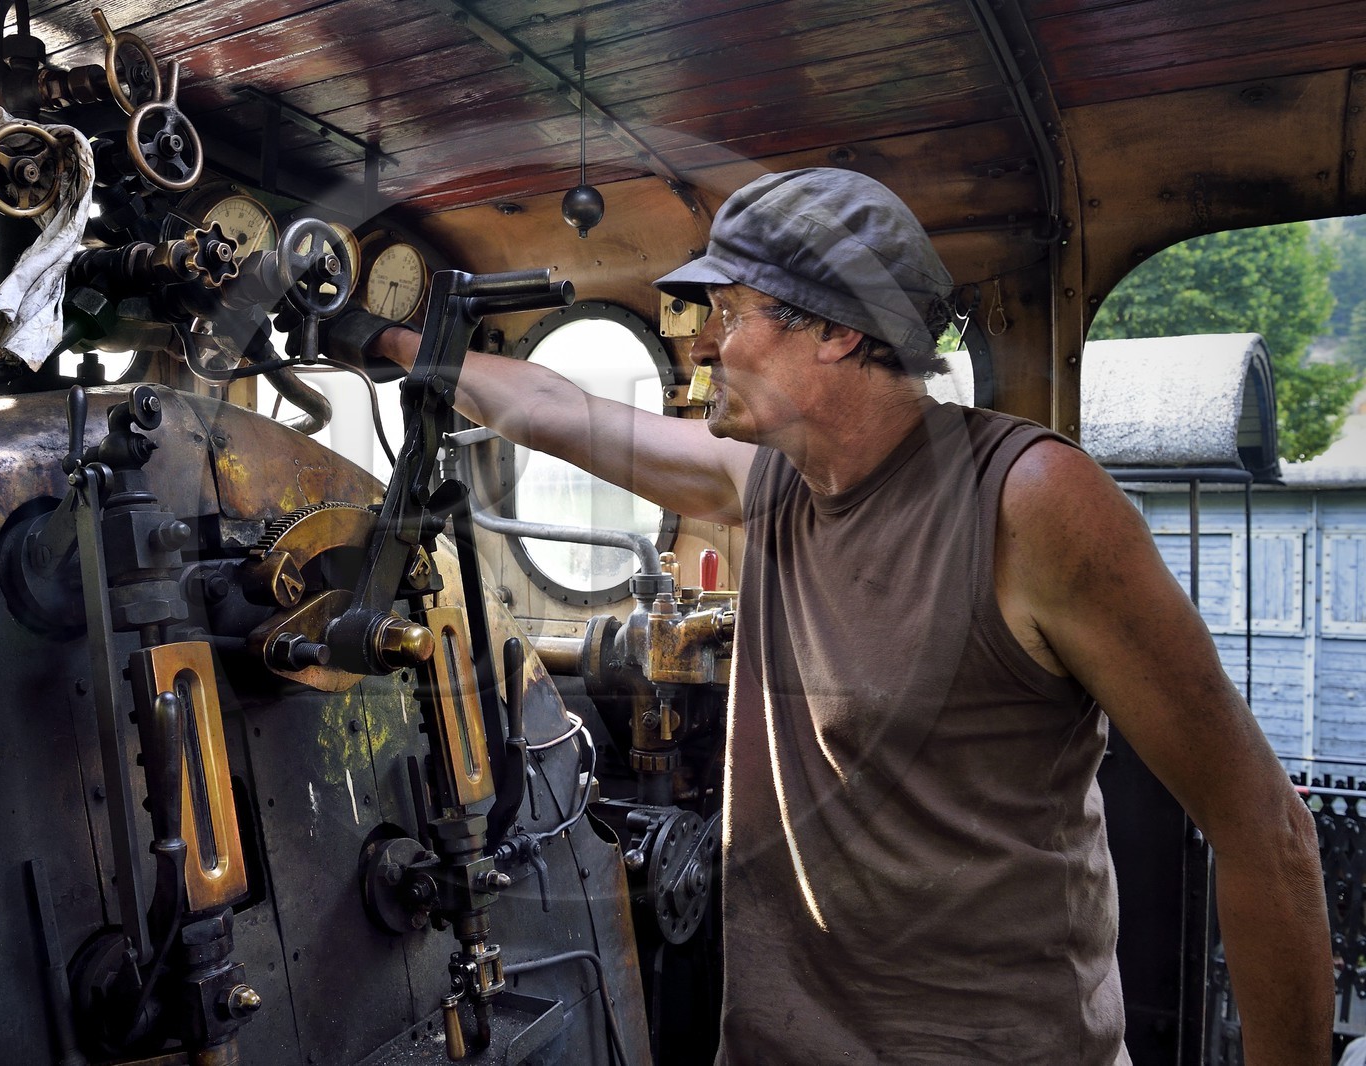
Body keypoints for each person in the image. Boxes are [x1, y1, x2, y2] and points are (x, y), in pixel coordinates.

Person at [334, 168, 1332, 1064]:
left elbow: (1265, 830)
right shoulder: (772, 482)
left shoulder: (1031, 503)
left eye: (732, 312)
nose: (704, 340)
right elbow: (559, 412)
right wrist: (383, 341)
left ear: (837, 330)